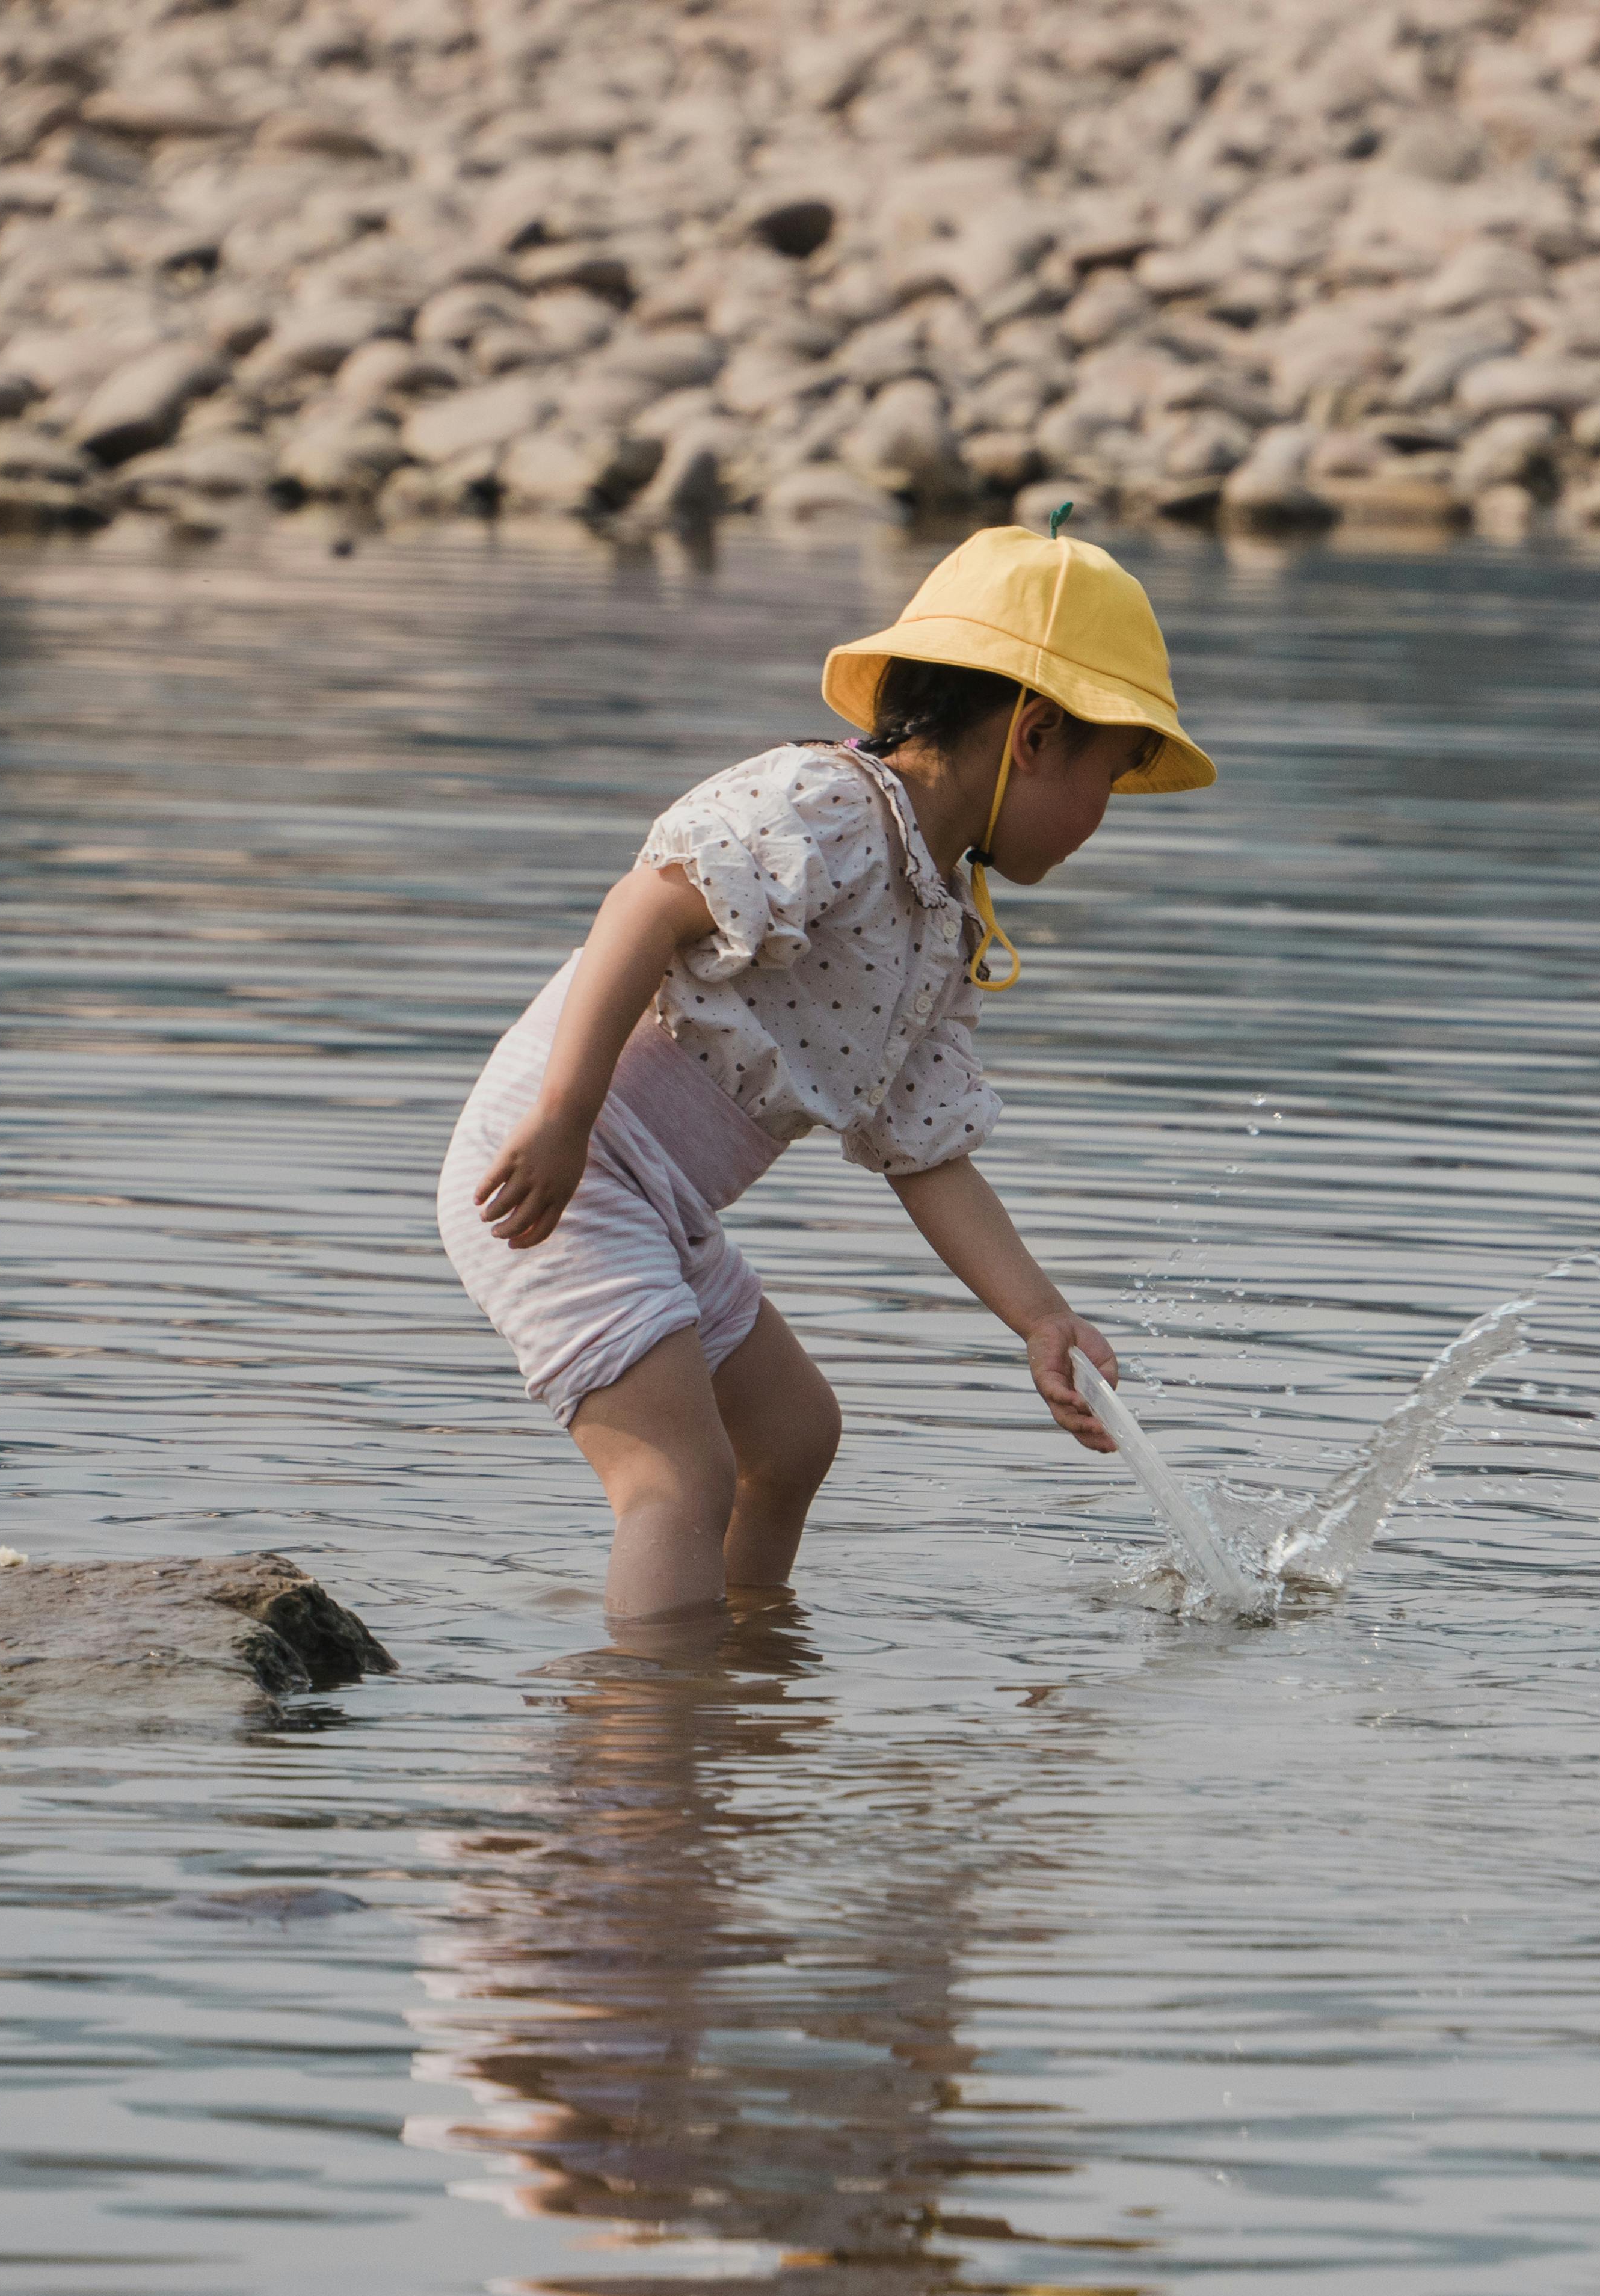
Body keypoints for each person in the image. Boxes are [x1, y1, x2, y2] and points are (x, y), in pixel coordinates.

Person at [435, 527, 1215, 1625]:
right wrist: (564, 1117)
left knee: (795, 1439)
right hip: (567, 1166)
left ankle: (738, 1679)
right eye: (1111, 774)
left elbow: (926, 1152)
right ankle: (645, 1751)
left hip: (657, 1201)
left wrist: (1040, 1316)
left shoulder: (938, 926)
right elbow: (644, 910)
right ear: (1035, 736)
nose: (1104, 816)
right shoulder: (824, 807)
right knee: (678, 1477)